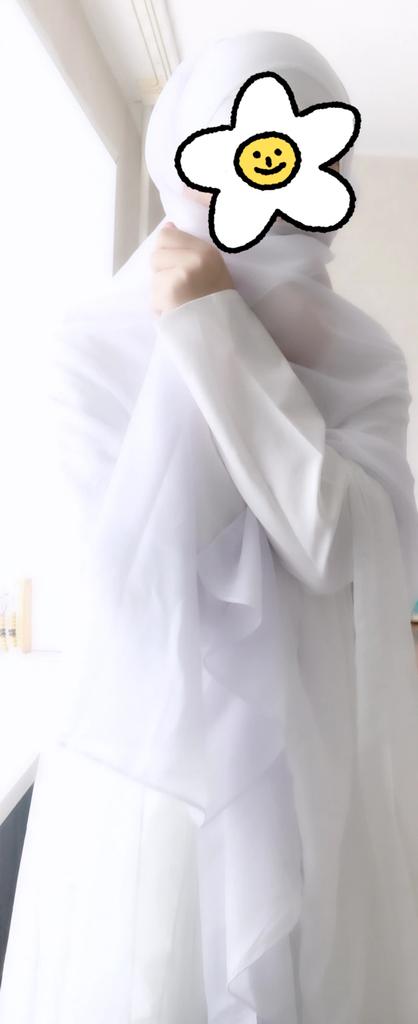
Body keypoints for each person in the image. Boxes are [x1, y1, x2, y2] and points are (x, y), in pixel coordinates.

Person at [1, 30, 418, 1024]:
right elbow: (126, 590)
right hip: (157, 789)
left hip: (320, 769)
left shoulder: (362, 358)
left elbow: (337, 545)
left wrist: (216, 333)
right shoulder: (90, 348)